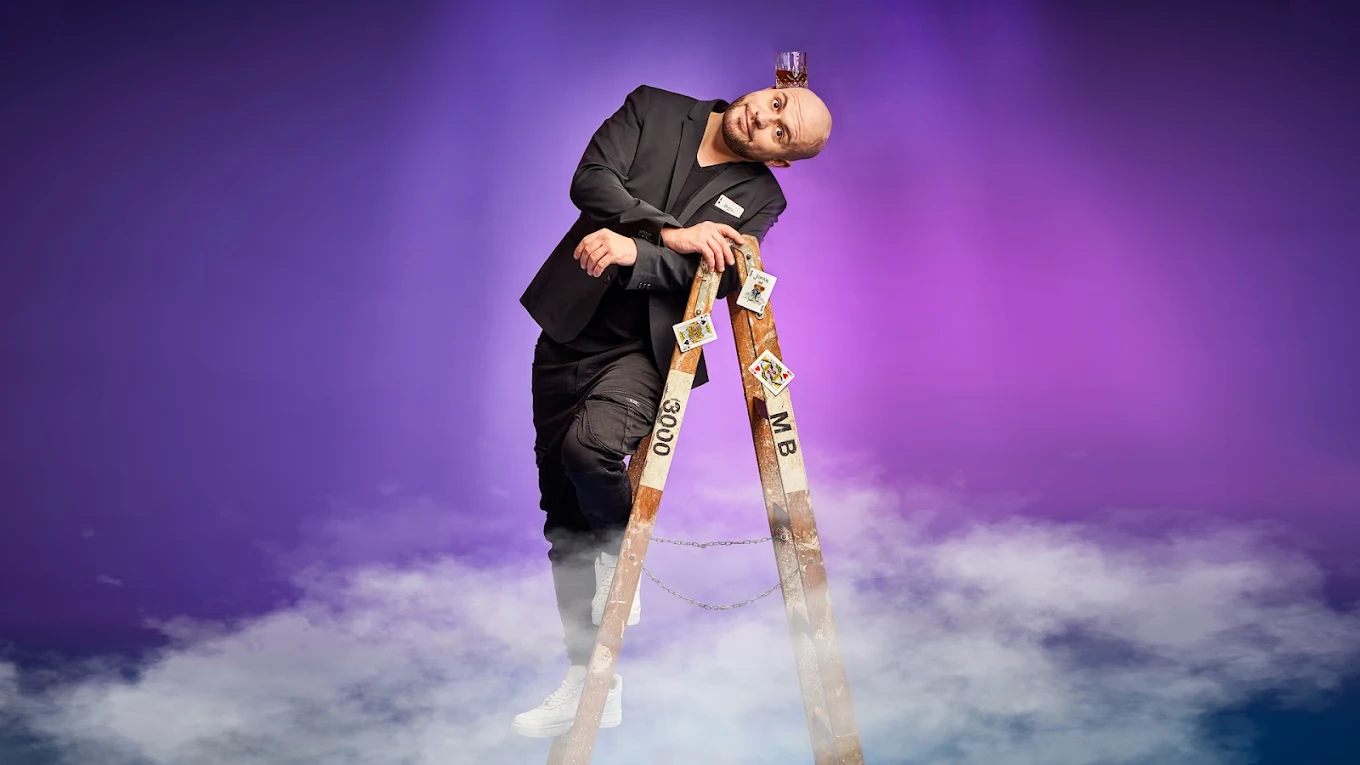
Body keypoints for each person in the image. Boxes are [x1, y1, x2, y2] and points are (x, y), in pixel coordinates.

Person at [512, 82, 833, 738]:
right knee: (562, 521)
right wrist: (668, 233)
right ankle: (589, 678)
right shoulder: (654, 108)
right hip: (567, 332)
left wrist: (636, 252)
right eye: (776, 106)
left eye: (782, 133)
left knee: (591, 448)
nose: (765, 119)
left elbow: (717, 277)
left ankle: (619, 555)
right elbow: (592, 180)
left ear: (782, 159)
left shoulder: (763, 198)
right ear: (772, 89)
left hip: (650, 350)